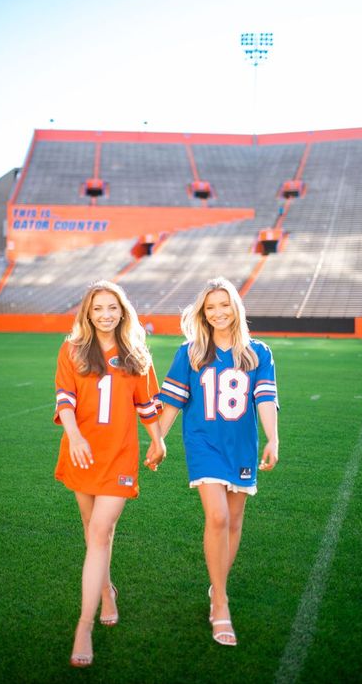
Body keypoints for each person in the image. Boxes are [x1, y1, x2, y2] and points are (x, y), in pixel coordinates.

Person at [155, 276, 279, 646]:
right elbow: (174, 401)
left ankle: (216, 587)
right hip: (203, 443)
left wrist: (273, 437)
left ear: (236, 308)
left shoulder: (259, 353)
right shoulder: (190, 352)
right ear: (203, 313)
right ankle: (221, 604)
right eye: (210, 307)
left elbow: (264, 399)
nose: (218, 312)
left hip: (240, 444)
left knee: (235, 520)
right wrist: (157, 439)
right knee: (218, 516)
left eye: (224, 305)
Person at [53, 280, 166, 667]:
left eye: (112, 308)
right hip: (81, 452)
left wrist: (158, 440)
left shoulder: (136, 352)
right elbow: (64, 399)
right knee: (92, 529)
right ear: (88, 312)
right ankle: (106, 591)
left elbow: (147, 403)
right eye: (98, 308)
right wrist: (74, 436)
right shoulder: (71, 350)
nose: (105, 314)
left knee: (99, 532)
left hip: (119, 455)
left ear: (123, 311)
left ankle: (83, 626)